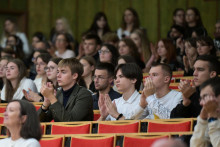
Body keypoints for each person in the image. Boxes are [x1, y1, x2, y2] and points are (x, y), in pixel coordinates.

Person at [190, 77, 220, 147]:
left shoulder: (213, 118)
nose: (201, 103)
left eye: (206, 97)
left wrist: (213, 118)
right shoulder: (210, 118)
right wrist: (202, 120)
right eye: (201, 99)